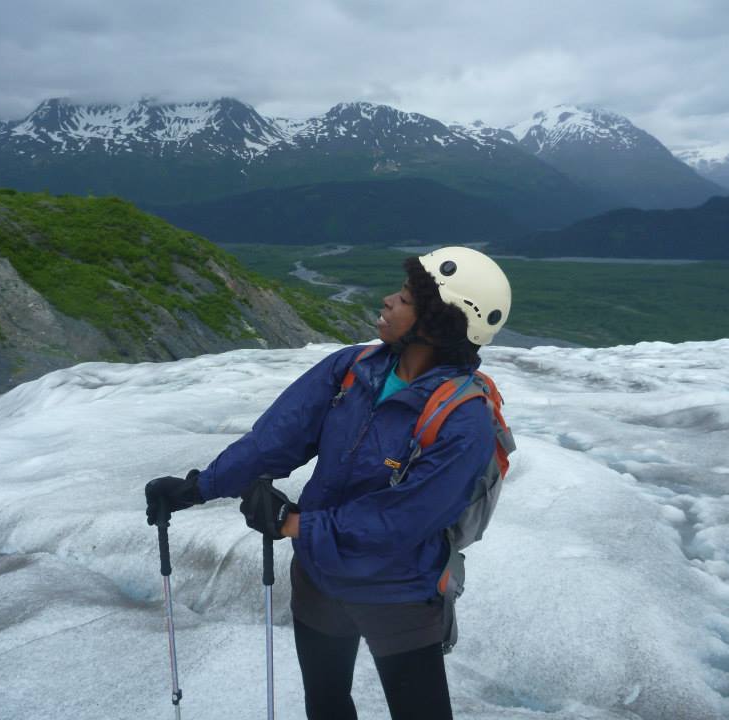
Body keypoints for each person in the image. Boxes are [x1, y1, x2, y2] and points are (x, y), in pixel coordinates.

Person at [145, 246, 512, 720]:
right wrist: (197, 488)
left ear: (440, 323)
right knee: (326, 705)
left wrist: (294, 524)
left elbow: (403, 521)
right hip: (320, 578)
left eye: (404, 299)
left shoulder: (464, 419)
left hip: (397, 592)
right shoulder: (353, 369)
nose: (387, 301)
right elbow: (275, 440)